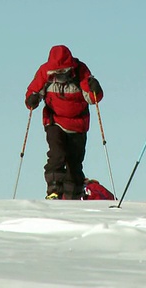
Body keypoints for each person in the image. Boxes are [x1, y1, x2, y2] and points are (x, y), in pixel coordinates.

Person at [25, 45, 103, 200]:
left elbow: (93, 98)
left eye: (64, 71)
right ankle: (54, 189)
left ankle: (73, 194)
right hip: (54, 121)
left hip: (78, 124)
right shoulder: (44, 72)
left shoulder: (80, 71)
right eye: (57, 72)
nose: (60, 75)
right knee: (57, 154)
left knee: (75, 161)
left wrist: (96, 89)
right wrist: (32, 100)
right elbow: (33, 92)